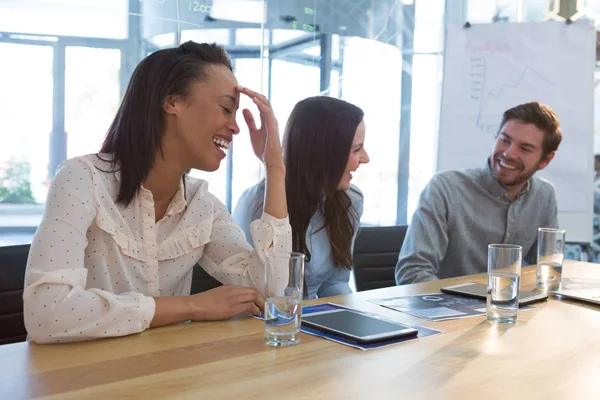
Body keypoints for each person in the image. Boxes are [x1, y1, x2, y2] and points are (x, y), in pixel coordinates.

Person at [23, 41, 291, 343]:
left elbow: (273, 290)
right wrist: (192, 305)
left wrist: (274, 166)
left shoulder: (203, 205)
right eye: (226, 109)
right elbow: (46, 314)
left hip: (167, 374)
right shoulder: (81, 179)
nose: (235, 127)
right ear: (172, 101)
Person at [396, 101, 562, 285]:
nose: (509, 153)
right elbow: (412, 273)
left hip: (512, 310)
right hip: (449, 310)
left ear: (545, 160)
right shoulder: (445, 189)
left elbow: (546, 270)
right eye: (505, 140)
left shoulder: (544, 195)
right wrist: (466, 310)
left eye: (524, 149)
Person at [233, 96, 370, 299]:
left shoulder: (351, 201)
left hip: (312, 320)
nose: (366, 158)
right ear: (323, 153)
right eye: (356, 149)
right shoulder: (256, 204)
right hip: (263, 321)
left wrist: (349, 318)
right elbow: (256, 293)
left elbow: (335, 284)